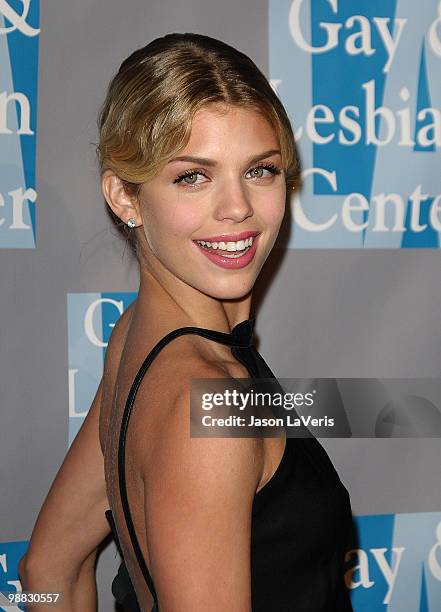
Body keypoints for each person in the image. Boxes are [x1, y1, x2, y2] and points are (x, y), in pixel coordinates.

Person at [19, 33, 353, 611]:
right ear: (125, 197)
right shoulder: (209, 403)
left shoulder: (137, 340)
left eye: (261, 170)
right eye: (192, 176)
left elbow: (48, 566)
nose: (237, 208)